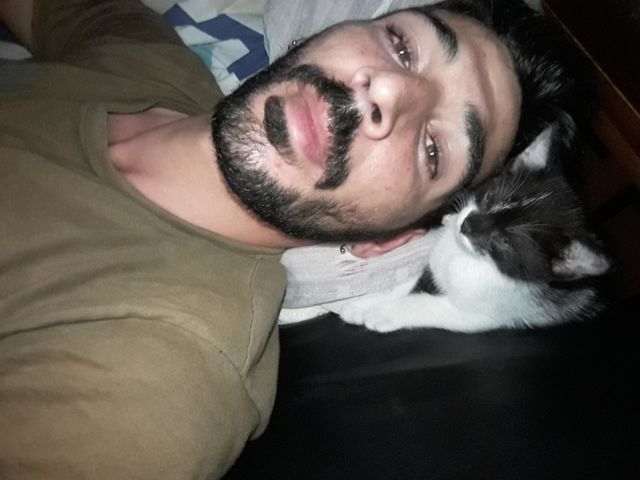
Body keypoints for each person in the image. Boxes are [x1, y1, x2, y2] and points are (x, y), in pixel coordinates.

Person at [0, 0, 583, 478]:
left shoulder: (150, 382)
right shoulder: (144, 52)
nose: (388, 92)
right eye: (403, 47)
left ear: (387, 239)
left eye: (433, 149)